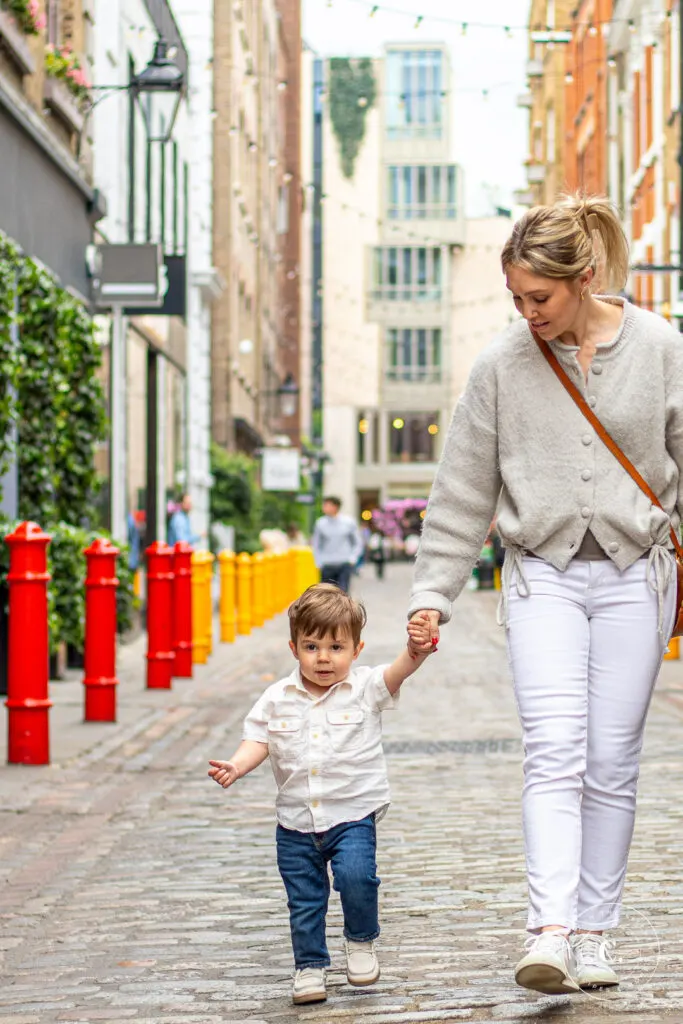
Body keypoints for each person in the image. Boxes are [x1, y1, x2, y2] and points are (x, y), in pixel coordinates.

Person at [407, 193, 683, 996]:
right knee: (554, 750)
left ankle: (594, 933)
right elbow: (461, 491)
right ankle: (549, 931)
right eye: (515, 298)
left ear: (584, 278)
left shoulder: (660, 347)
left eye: (540, 297)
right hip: (542, 576)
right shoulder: (500, 366)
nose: (525, 313)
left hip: (637, 575)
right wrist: (433, 591)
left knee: (610, 760)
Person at [208, 583, 436, 1005]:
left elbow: (400, 670)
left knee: (356, 878)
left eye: (336, 647)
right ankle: (310, 967)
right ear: (294, 648)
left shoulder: (366, 687)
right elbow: (259, 739)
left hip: (352, 813)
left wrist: (416, 648)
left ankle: (361, 939)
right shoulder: (277, 698)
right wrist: (237, 765)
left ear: (356, 648)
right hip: (295, 821)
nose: (324, 658)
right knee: (305, 900)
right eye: (312, 646)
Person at [311, 496, 363, 593]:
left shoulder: (348, 522)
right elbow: (316, 544)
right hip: (326, 565)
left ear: (335, 507)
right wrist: (318, 561)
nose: (324, 508)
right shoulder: (320, 523)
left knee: (342, 594)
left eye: (327, 505)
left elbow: (357, 542)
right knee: (326, 595)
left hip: (344, 564)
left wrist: (353, 558)